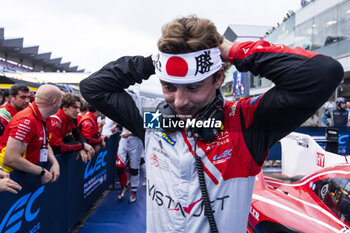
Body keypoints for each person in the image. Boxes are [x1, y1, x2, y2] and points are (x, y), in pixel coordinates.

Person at [80, 15, 343, 233]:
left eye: (193, 88)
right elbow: (93, 88)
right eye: (169, 87)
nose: (180, 102)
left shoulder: (246, 122)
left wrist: (232, 51)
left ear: (218, 78)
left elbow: (324, 73)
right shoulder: (152, 118)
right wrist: (155, 62)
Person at [0, 84, 62, 185]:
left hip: (27, 174)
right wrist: (41, 171)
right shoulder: (26, 119)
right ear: (54, 101)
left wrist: (54, 162)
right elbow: (11, 159)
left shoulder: (42, 116)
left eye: (28, 97)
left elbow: (44, 141)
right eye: (61, 100)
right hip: (12, 177)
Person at [46, 93, 95, 163]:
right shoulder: (55, 119)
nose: (78, 111)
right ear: (64, 107)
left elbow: (76, 136)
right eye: (75, 107)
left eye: (79, 108)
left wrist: (82, 148)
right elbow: (56, 147)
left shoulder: (71, 118)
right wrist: (81, 146)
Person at [116, 127, 144, 203]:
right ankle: (124, 186)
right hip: (123, 140)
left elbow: (149, 126)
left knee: (134, 169)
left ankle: (134, 191)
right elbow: (119, 124)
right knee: (119, 167)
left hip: (136, 140)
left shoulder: (144, 114)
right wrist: (116, 128)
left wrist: (131, 133)